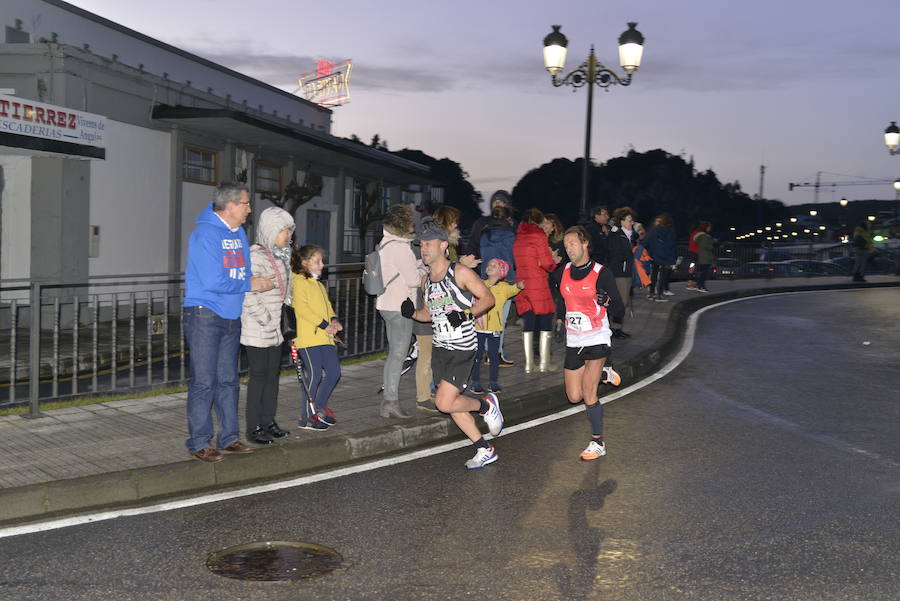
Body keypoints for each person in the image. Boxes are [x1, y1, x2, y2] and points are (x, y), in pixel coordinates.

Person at [182, 182, 275, 463]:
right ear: (231, 205)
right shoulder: (205, 234)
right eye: (246, 203)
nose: (249, 209)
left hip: (230, 314)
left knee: (228, 381)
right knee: (204, 382)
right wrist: (250, 284)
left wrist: (249, 285)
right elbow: (212, 280)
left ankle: (229, 437)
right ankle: (199, 441)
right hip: (205, 314)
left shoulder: (239, 233)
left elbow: (241, 270)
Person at [400, 220, 503, 470]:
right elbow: (430, 313)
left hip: (463, 348)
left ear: (443, 245)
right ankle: (484, 448)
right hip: (441, 350)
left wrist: (466, 314)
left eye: (427, 244)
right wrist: (413, 313)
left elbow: (487, 299)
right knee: (453, 404)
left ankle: (486, 404)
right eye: (421, 244)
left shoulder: (459, 273)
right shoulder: (427, 280)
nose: (423, 249)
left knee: (443, 403)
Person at [552, 226, 625, 460]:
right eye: (566, 245)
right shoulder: (561, 271)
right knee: (573, 396)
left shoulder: (601, 273)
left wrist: (607, 300)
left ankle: (597, 442)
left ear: (585, 244)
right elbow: (560, 298)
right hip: (575, 339)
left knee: (588, 392)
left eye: (572, 243)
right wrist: (560, 318)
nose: (568, 248)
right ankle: (605, 372)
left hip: (597, 337)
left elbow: (619, 310)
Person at [241, 206, 295, 445]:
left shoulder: (281, 256)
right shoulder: (255, 255)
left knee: (273, 376)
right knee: (259, 377)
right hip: (258, 328)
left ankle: (268, 422)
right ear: (271, 230)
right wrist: (265, 319)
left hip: (275, 329)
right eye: (285, 231)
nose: (289, 236)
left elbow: (286, 291)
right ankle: (253, 428)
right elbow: (248, 293)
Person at [376, 204, 421, 419]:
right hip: (400, 307)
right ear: (404, 224)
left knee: (393, 354)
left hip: (385, 305)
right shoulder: (402, 248)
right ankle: (390, 402)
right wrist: (423, 269)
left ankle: (388, 401)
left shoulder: (385, 244)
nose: (413, 224)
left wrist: (416, 264)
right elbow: (413, 279)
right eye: (411, 221)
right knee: (398, 355)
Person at [290, 245, 342, 429]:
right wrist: (324, 325)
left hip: (325, 338)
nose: (322, 265)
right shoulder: (298, 283)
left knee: (334, 372)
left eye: (322, 261)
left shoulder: (318, 284)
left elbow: (328, 307)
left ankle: (317, 408)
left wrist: (334, 320)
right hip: (308, 339)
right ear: (304, 263)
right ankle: (306, 417)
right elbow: (303, 310)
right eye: (317, 261)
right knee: (314, 375)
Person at [513, 208, 561, 372]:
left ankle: (528, 365)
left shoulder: (519, 238)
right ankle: (544, 364)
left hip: (523, 285)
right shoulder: (539, 236)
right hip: (538, 285)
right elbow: (547, 263)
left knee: (529, 322)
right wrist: (554, 261)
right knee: (546, 320)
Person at [469, 259, 523, 394]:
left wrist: (521, 285)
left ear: (501, 272)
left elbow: (514, 289)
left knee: (494, 356)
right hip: (478, 327)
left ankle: (493, 382)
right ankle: (475, 382)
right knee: (477, 355)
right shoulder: (480, 284)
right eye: (489, 265)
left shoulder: (504, 287)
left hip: (495, 328)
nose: (489, 267)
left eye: (494, 266)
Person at [477, 204, 518, 367]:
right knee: (500, 320)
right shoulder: (510, 236)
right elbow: (513, 258)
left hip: (485, 281)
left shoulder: (484, 234)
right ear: (508, 219)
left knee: (486, 317)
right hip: (504, 279)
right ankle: (496, 353)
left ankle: (488, 351)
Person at [606, 207, 640, 339]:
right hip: (618, 271)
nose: (632, 223)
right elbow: (615, 254)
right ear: (621, 221)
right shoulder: (617, 235)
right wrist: (631, 253)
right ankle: (613, 328)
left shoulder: (631, 235)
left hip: (627, 271)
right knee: (620, 301)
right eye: (629, 220)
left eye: (632, 220)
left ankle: (617, 328)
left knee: (624, 301)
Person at [468, 191, 516, 259]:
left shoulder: (515, 224)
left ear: (507, 205)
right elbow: (472, 245)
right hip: (485, 265)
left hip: (508, 265)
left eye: (502, 201)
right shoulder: (481, 222)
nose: (497, 203)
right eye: (495, 201)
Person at [643, 213, 677, 302]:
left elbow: (646, 241)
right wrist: (673, 259)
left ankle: (651, 293)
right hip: (666, 257)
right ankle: (659, 294)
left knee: (654, 274)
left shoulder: (654, 230)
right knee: (663, 276)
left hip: (654, 255)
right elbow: (672, 245)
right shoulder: (671, 231)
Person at [693, 221, 714, 292]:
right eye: (709, 227)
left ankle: (699, 285)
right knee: (704, 272)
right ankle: (701, 286)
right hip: (705, 256)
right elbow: (707, 246)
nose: (710, 228)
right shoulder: (705, 237)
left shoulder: (699, 236)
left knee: (702, 272)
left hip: (702, 256)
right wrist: (711, 242)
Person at [685, 221, 704, 290]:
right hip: (695, 253)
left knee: (692, 268)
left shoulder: (693, 232)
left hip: (692, 252)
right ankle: (690, 284)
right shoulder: (698, 233)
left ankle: (690, 283)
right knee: (693, 268)